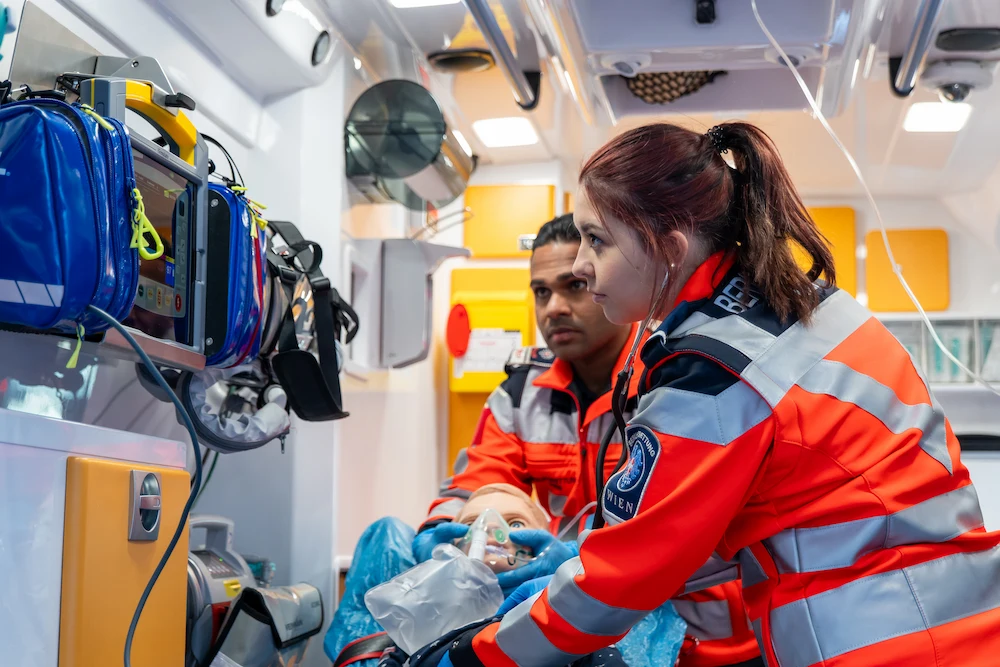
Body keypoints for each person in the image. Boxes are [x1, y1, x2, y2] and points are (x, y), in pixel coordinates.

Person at [420, 122, 1000, 667]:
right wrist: (584, 558)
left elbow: (618, 587)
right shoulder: (805, 308)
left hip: (885, 641)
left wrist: (475, 653)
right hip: (956, 625)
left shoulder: (713, 374)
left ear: (668, 249)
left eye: (596, 242)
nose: (583, 265)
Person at [414, 215, 762, 667]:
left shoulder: (678, 382)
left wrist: (582, 564)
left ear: (604, 280)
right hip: (578, 630)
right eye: (541, 292)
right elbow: (477, 484)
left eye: (572, 285)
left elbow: (694, 535)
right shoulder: (520, 398)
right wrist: (454, 535)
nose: (553, 307)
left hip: (707, 644)